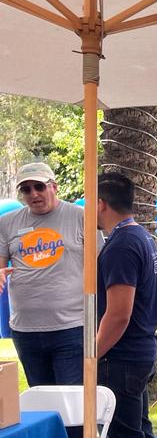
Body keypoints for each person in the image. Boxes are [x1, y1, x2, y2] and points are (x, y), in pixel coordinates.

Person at [0, 162, 100, 387]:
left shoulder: (81, 216)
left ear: (54, 187)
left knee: (72, 405)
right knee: (42, 404)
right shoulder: (7, 223)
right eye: (26, 189)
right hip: (25, 330)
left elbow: (100, 265)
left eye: (39, 186)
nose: (33, 193)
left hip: (72, 328)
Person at [95, 172, 157, 438]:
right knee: (141, 437)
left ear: (100, 204)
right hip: (139, 349)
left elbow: (119, 313)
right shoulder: (141, 236)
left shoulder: (122, 245)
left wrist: (92, 355)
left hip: (122, 356)